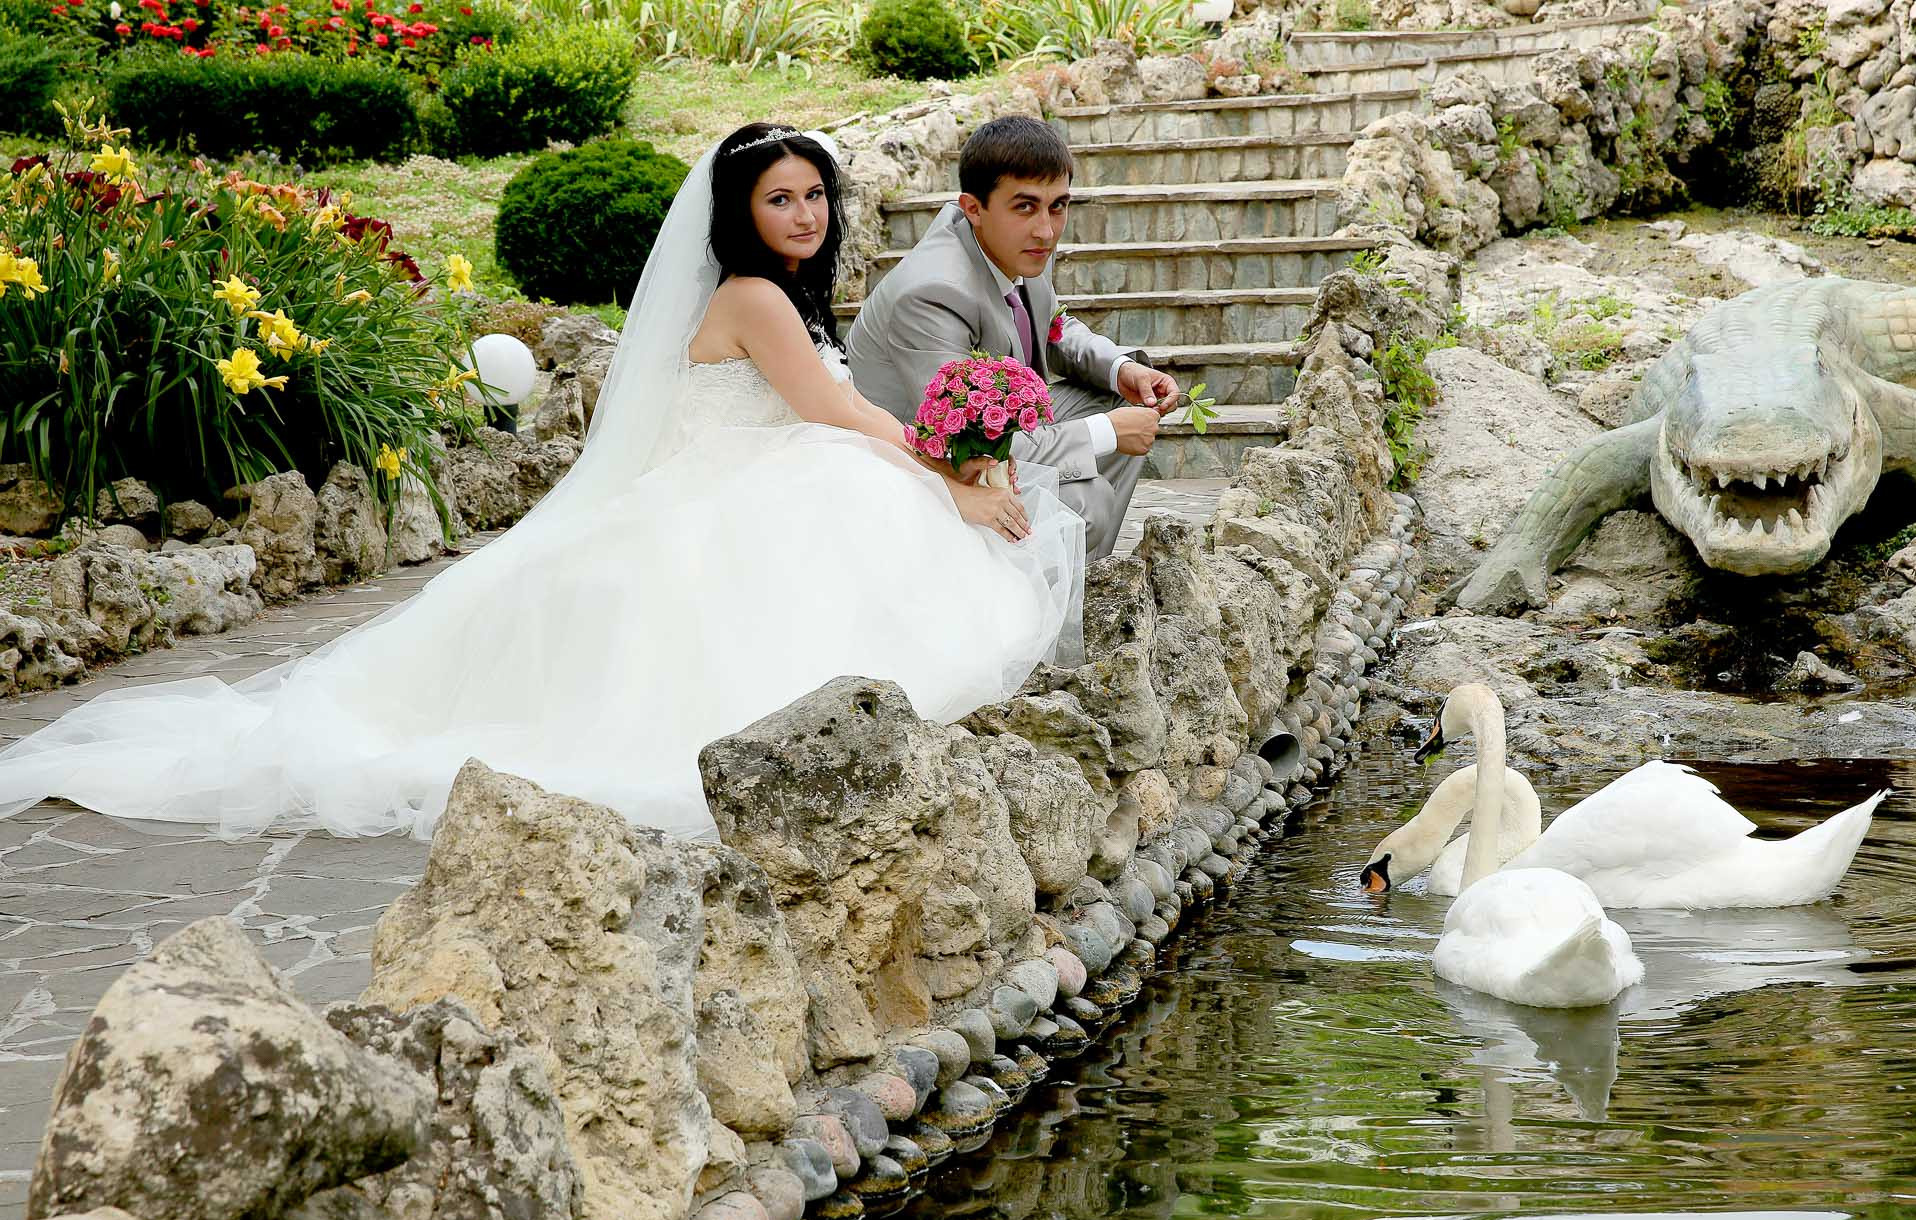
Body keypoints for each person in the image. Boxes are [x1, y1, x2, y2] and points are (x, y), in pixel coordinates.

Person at [0, 123, 1084, 842]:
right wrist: (948, 480)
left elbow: (831, 407)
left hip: (754, 464)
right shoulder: (755, 295)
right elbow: (834, 409)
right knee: (855, 494)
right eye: (777, 199)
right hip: (731, 476)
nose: (802, 215)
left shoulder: (789, 291)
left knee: (852, 494)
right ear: (738, 216)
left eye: (812, 195)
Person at [847, 115, 1181, 562]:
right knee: (1086, 500)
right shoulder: (931, 293)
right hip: (935, 466)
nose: (1046, 230)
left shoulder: (1010, 242)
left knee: (1131, 405)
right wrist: (1103, 432)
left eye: (1058, 205)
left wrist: (1123, 370)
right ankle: (1040, 601)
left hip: (998, 427)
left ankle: (1086, 572)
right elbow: (965, 441)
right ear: (973, 208)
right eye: (1025, 206)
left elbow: (1052, 327)